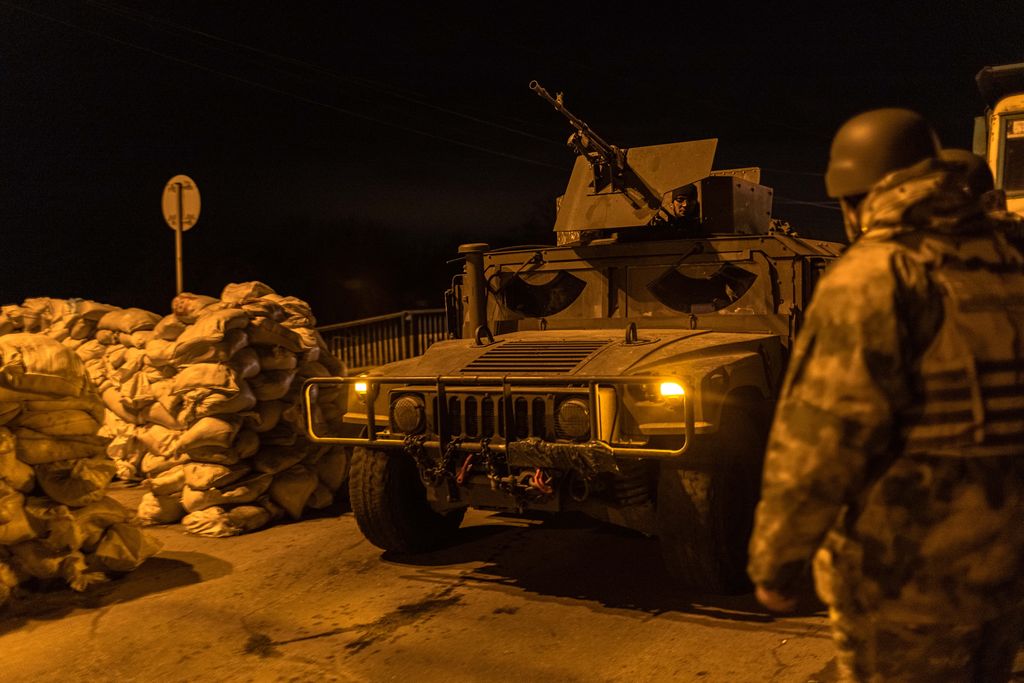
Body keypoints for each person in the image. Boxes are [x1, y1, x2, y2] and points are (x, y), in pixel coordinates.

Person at [747, 108, 1024, 681]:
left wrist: (776, 564)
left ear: (857, 196)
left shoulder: (876, 274)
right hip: (1007, 576)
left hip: (909, 587)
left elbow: (820, 442)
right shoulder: (1010, 263)